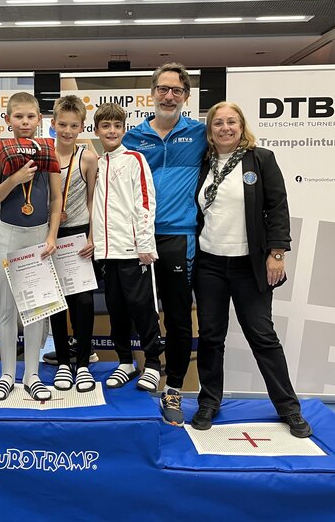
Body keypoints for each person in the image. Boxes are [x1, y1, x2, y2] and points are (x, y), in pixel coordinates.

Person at [192, 101, 312, 438]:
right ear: (210, 130)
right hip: (209, 263)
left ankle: (289, 408)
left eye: (231, 122)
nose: (225, 128)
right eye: (218, 123)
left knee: (262, 336)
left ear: (241, 126)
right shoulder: (202, 162)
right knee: (211, 336)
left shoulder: (260, 159)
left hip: (250, 265)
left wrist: (277, 253)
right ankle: (209, 402)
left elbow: (278, 206)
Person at [123, 62, 207, 426]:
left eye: (176, 90)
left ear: (186, 96)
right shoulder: (132, 138)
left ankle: (173, 388)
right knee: (139, 309)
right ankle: (149, 368)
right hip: (136, 237)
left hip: (179, 236)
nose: (168, 96)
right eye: (163, 89)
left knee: (177, 315)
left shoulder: (200, 134)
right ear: (152, 93)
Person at [0, 92, 62, 401]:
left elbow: (56, 198)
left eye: (30, 116)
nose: (25, 122)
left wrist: (52, 236)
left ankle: (32, 374)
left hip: (39, 235)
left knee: (36, 309)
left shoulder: (48, 151)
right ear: (8, 119)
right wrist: (14, 179)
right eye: (18, 117)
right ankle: (6, 374)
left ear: (39, 119)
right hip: (9, 234)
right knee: (6, 308)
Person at [92, 103, 166, 394]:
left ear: (124, 130)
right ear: (97, 130)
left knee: (143, 309)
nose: (111, 131)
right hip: (106, 254)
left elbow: (145, 202)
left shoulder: (135, 159)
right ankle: (125, 362)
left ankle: (153, 364)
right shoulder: (97, 163)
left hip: (134, 252)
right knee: (116, 310)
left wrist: (145, 244)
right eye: (106, 126)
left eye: (117, 126)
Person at [48, 96, 98, 393]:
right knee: (56, 302)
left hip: (79, 235)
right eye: (63, 125)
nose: (67, 131)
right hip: (51, 235)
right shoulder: (44, 154)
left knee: (83, 302)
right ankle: (63, 363)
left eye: (74, 126)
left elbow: (93, 200)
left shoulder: (87, 158)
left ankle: (83, 364)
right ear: (53, 124)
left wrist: (93, 237)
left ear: (82, 127)